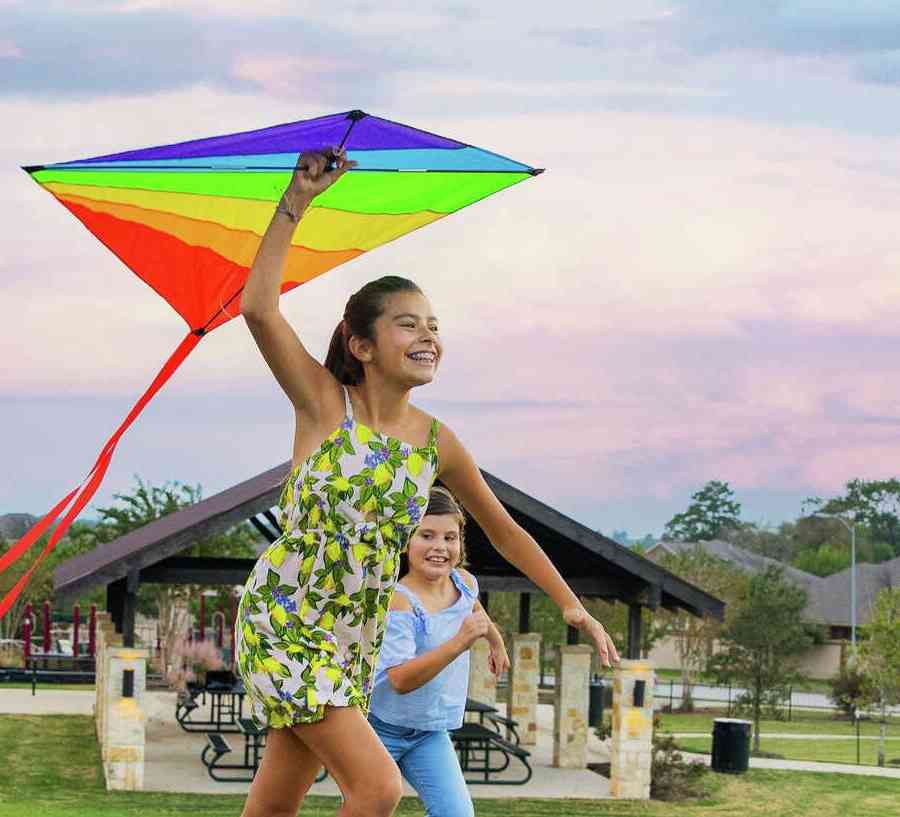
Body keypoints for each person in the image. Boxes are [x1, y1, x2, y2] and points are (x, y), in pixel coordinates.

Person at [234, 147, 620, 817]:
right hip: (286, 621)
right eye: (408, 323)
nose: (428, 336)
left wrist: (570, 603)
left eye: (434, 326)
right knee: (377, 787)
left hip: (349, 640)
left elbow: (503, 528)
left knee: (274, 807)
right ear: (360, 343)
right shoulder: (326, 406)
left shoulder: (437, 442)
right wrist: (296, 201)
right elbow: (260, 309)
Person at [368, 485, 507, 817]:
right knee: (369, 809)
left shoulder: (463, 582)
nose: (439, 547)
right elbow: (400, 679)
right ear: (406, 542)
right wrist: (460, 643)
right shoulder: (399, 600)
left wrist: (496, 642)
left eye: (449, 537)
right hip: (378, 730)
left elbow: (476, 613)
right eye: (426, 535)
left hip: (428, 733)